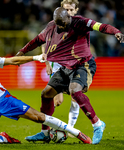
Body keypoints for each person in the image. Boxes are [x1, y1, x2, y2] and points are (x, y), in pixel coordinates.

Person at [16, 7, 124, 144]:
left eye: (63, 22)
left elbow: (100, 26)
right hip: (65, 67)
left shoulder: (80, 22)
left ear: (68, 17)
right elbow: (38, 40)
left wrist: (116, 32)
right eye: (58, 23)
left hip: (83, 64)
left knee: (75, 91)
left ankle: (97, 124)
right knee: (46, 93)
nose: (61, 26)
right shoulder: (51, 27)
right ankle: (45, 132)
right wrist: (22, 52)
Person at [0, 43, 92, 144]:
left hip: (4, 100)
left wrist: (36, 57)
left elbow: (12, 60)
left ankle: (77, 133)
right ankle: (5, 139)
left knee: (38, 117)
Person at [41, 0, 80, 131]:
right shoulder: (54, 25)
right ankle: (47, 128)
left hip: (74, 66)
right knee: (58, 101)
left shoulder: (81, 25)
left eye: (70, 10)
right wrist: (47, 63)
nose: (68, 12)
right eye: (65, 10)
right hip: (58, 65)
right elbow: (43, 42)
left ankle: (70, 128)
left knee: (76, 94)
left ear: (76, 10)